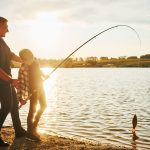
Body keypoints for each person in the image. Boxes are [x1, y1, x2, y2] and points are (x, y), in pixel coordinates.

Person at [0, 17, 27, 147]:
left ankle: (19, 130)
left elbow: (11, 55)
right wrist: (10, 80)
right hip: (2, 81)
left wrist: (24, 60)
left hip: (7, 79)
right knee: (6, 107)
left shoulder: (2, 42)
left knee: (14, 105)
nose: (8, 30)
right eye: (6, 27)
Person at [17, 49, 48, 141]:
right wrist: (21, 98)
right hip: (32, 92)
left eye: (31, 58)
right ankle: (30, 132)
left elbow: (39, 71)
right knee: (32, 111)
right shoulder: (22, 68)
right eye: (28, 59)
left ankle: (34, 125)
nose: (31, 60)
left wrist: (44, 76)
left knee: (44, 106)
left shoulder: (35, 62)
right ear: (23, 60)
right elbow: (20, 85)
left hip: (40, 88)